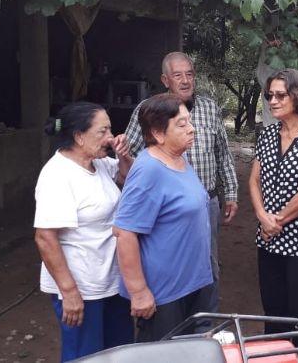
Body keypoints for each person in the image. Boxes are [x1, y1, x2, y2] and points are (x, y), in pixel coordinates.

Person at [123, 52, 237, 313]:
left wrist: (230, 192)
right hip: (167, 210)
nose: (185, 81)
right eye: (178, 75)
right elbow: (131, 151)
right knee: (172, 264)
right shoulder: (149, 111)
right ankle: (174, 322)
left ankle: (204, 324)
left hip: (206, 202)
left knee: (208, 265)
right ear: (165, 80)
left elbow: (223, 153)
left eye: (189, 74)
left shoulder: (209, 107)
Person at [34, 102, 134, 362]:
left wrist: (124, 155)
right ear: (79, 137)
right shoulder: (58, 175)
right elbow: (45, 237)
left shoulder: (97, 164)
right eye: (102, 132)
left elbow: (128, 178)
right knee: (86, 356)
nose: (110, 138)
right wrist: (69, 292)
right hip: (82, 288)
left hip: (111, 280)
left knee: (119, 351)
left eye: (110, 130)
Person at [113, 93, 213, 341]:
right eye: (181, 124)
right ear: (158, 133)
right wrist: (138, 292)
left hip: (193, 282)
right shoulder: (148, 170)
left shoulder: (180, 157)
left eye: (189, 122)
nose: (191, 129)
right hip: (165, 293)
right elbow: (125, 233)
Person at [249, 69, 298, 360]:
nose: (272, 100)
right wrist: (261, 216)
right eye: (269, 95)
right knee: (273, 311)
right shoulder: (268, 133)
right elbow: (254, 179)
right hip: (268, 240)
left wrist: (277, 220)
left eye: (280, 94)